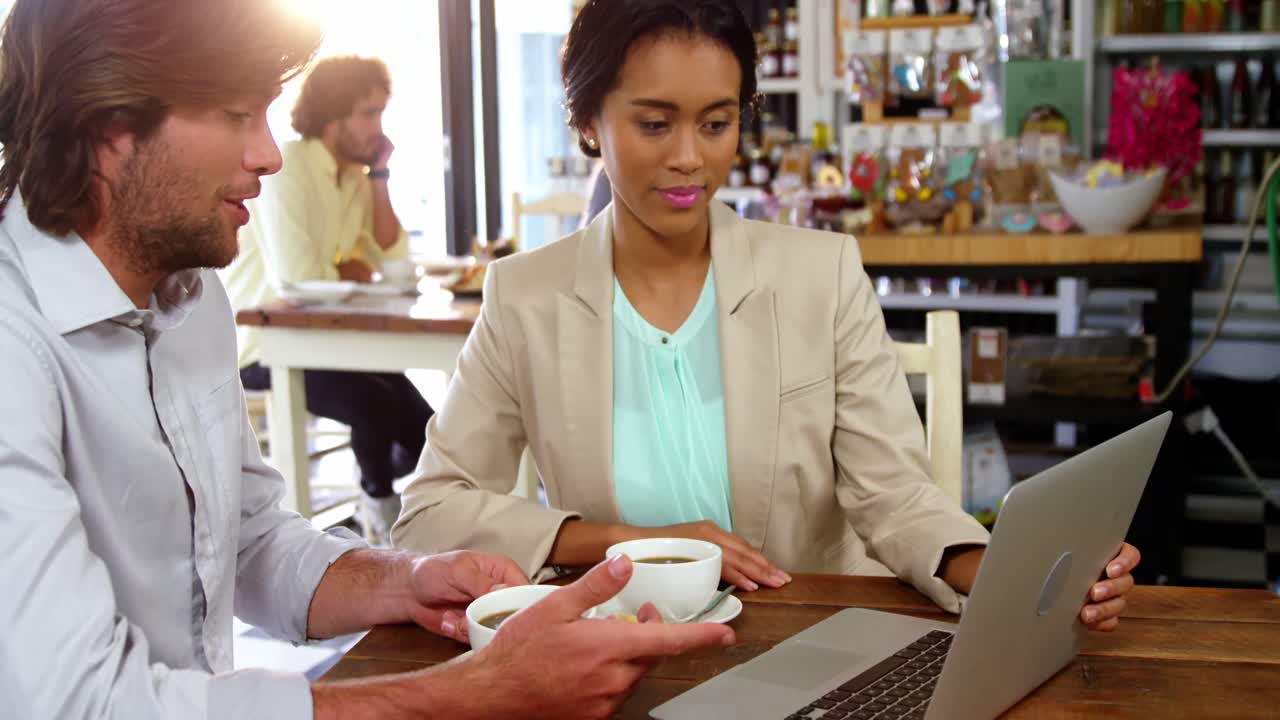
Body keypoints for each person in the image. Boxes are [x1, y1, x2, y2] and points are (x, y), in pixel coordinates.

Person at [0, 1, 733, 718]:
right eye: (234, 116)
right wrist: (470, 692)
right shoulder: (14, 342)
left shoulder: (190, 300)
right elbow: (76, 700)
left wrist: (408, 579)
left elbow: (248, 542)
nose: (269, 153)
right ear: (109, 121)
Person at [394, 0, 1139, 630]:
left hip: (809, 635)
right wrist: (632, 543)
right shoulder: (526, 296)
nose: (690, 158)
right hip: (620, 647)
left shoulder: (821, 274)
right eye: (655, 125)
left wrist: (1014, 574)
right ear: (589, 122)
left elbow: (894, 493)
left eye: (716, 124)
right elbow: (432, 510)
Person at [220, 55, 432, 541]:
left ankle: (382, 506)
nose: (379, 128)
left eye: (382, 113)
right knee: (374, 405)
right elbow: (298, 278)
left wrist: (379, 176)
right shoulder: (290, 167)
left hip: (327, 340)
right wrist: (344, 269)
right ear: (334, 117)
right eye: (369, 114)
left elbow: (388, 260)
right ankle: (380, 517)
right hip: (265, 344)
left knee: (428, 428)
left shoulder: (353, 176)